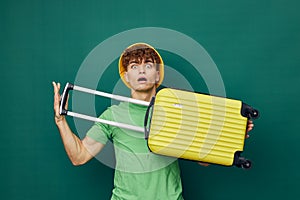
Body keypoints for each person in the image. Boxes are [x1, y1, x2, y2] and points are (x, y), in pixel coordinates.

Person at [53, 43, 254, 200]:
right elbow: (78, 156)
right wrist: (60, 120)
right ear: (127, 77)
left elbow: (203, 159)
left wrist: (232, 136)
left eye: (148, 65)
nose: (141, 71)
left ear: (157, 75)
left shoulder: (180, 112)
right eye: (134, 66)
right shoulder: (112, 115)